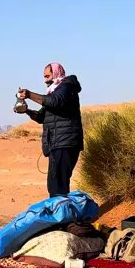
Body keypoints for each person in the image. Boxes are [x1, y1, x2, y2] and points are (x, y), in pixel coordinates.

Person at [15, 63, 84, 197]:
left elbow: (54, 102)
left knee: (57, 185)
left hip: (64, 142)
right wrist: (26, 110)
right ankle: (61, 208)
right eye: (44, 77)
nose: (45, 80)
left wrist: (29, 94)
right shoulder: (55, 92)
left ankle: (61, 209)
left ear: (56, 73)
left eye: (47, 76)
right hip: (57, 143)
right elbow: (41, 117)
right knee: (56, 183)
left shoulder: (66, 87)